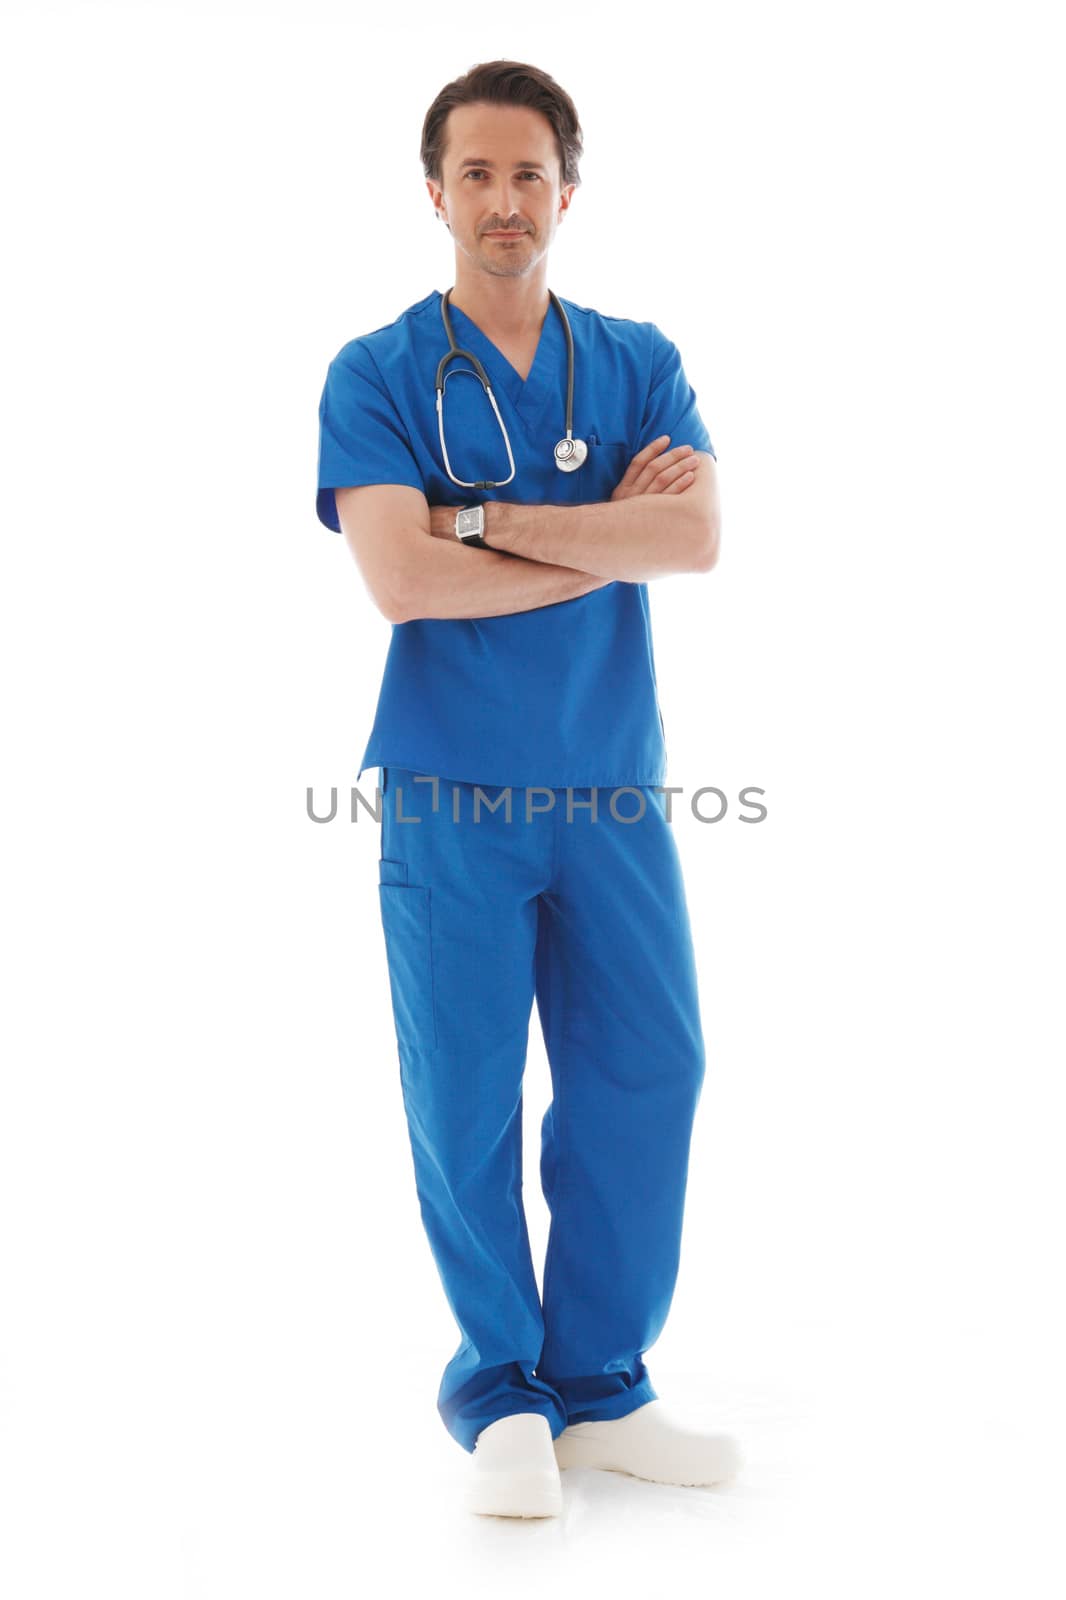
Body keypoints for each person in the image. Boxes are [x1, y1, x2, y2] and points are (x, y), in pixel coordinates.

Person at [315, 59, 742, 1517]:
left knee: (649, 1071)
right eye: (477, 175)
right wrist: (603, 526)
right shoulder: (376, 374)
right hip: (451, 795)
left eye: (530, 173)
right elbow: (397, 578)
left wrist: (489, 521)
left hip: (610, 789)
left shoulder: (635, 361)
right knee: (469, 1097)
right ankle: (502, 1392)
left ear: (571, 185)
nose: (505, 201)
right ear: (434, 192)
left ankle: (601, 1383)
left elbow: (691, 548)